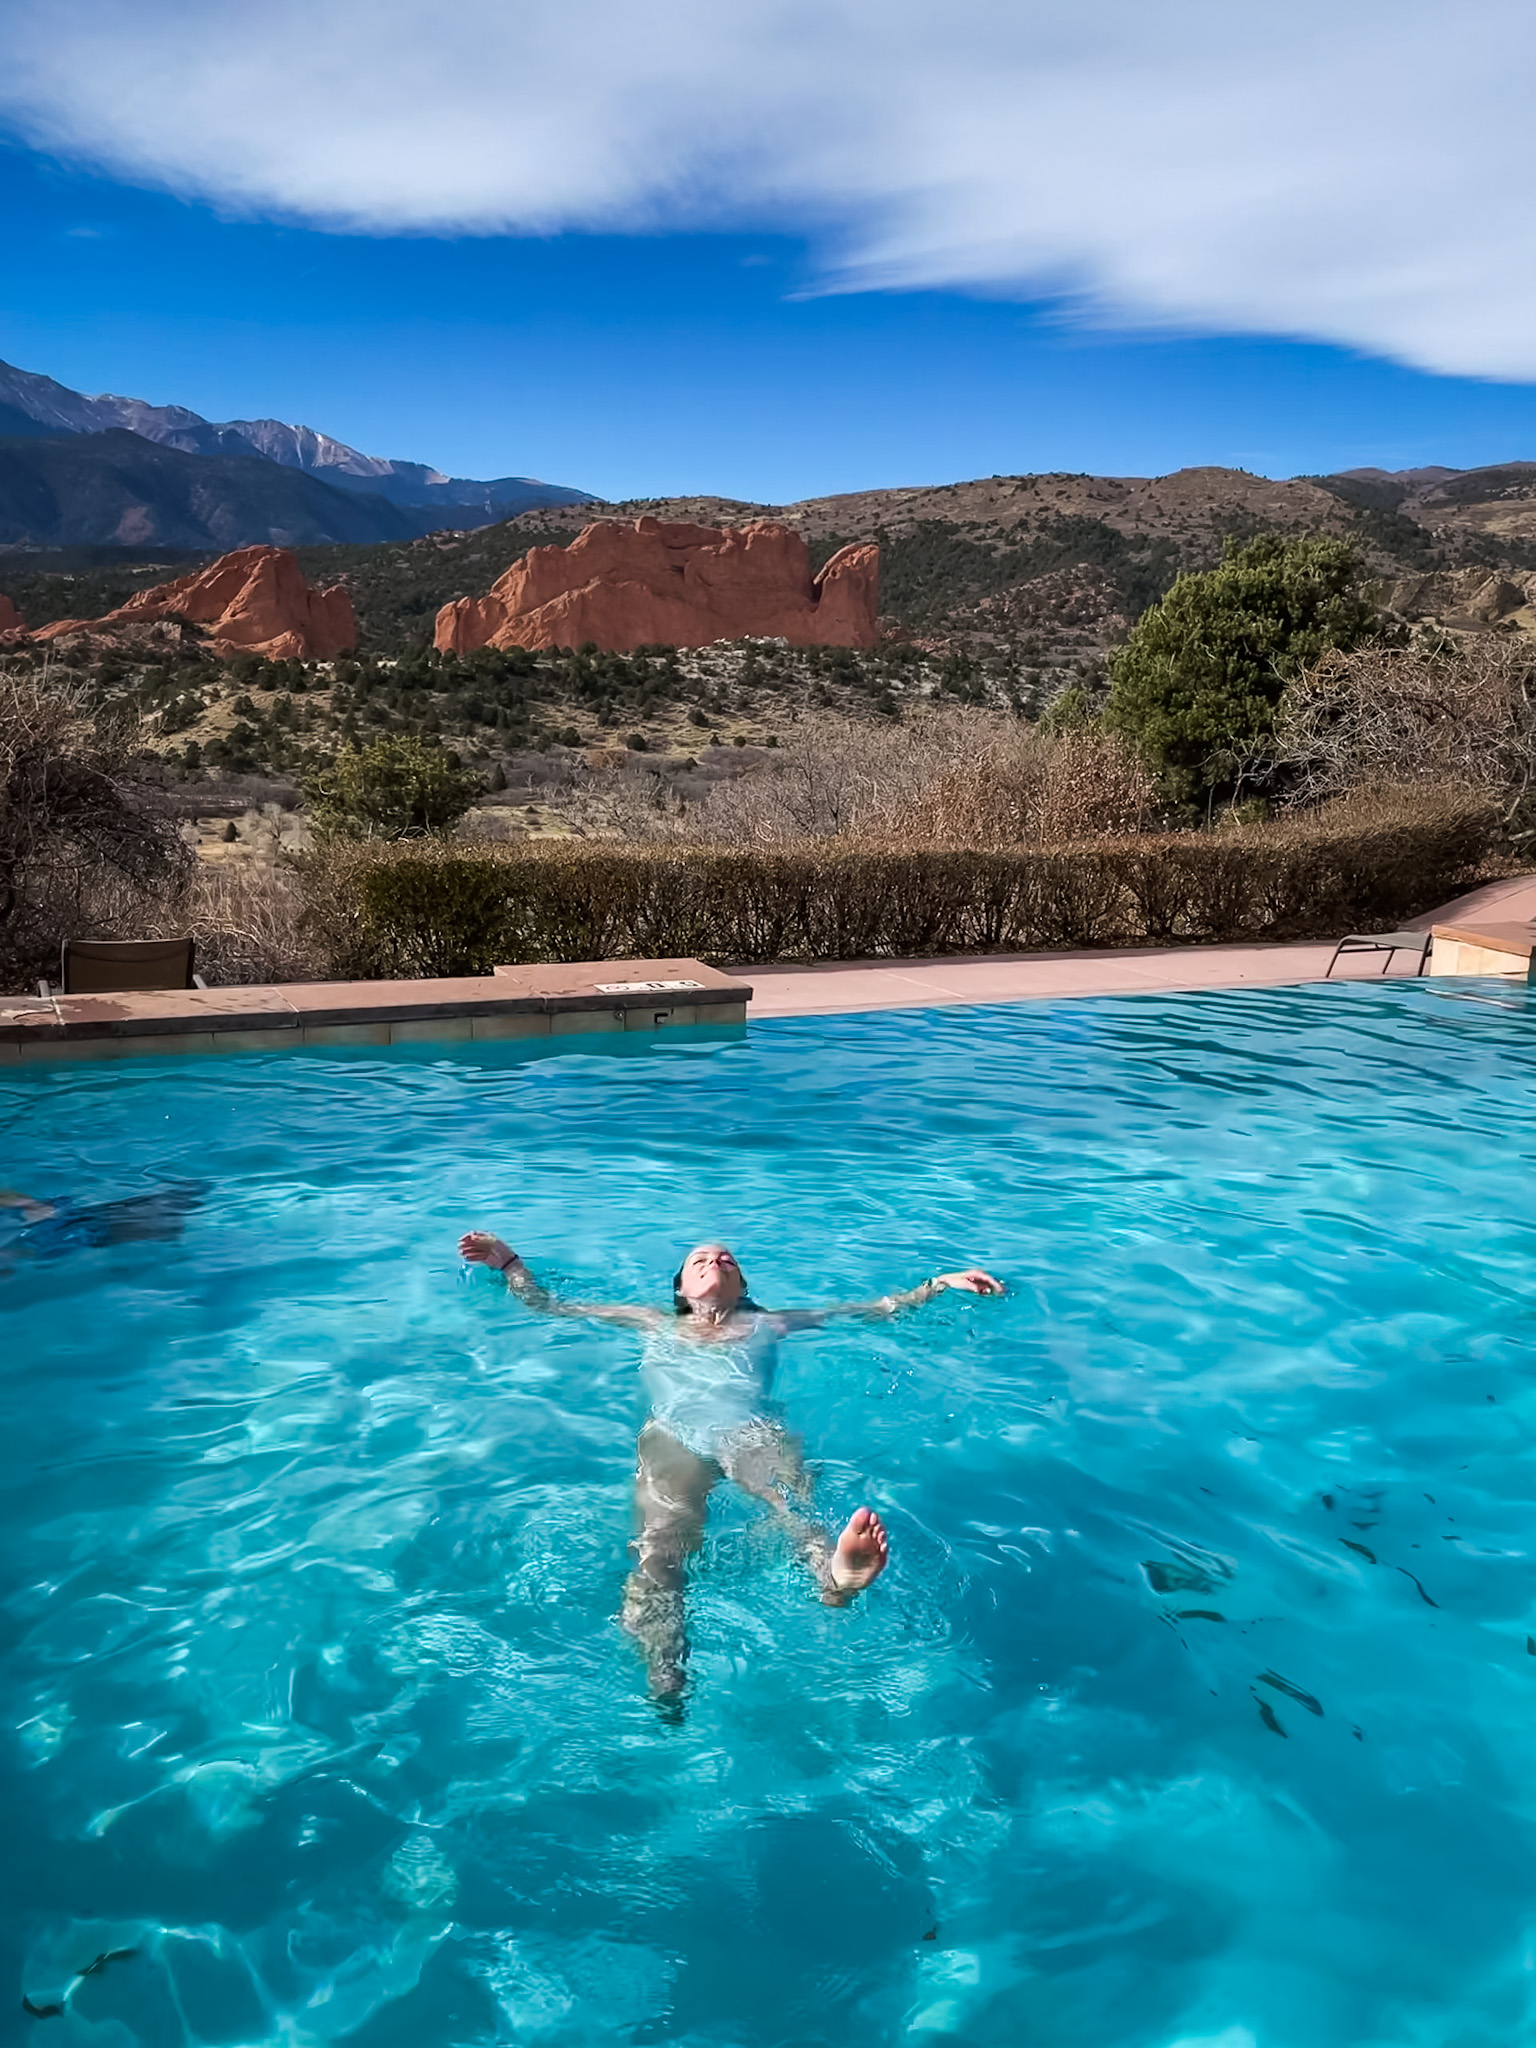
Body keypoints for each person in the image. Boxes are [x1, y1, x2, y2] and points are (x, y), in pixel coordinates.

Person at [459, 1231, 1003, 1698]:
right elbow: (549, 1305)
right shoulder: (650, 1321)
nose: (715, 1263)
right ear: (679, 1289)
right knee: (658, 1547)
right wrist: (510, 1264)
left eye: (727, 1261)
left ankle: (837, 1579)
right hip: (672, 1436)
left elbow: (873, 1311)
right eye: (700, 1261)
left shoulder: (771, 1323)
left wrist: (937, 1285)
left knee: (794, 1509)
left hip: (751, 1432)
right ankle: (664, 1665)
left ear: (742, 1287)